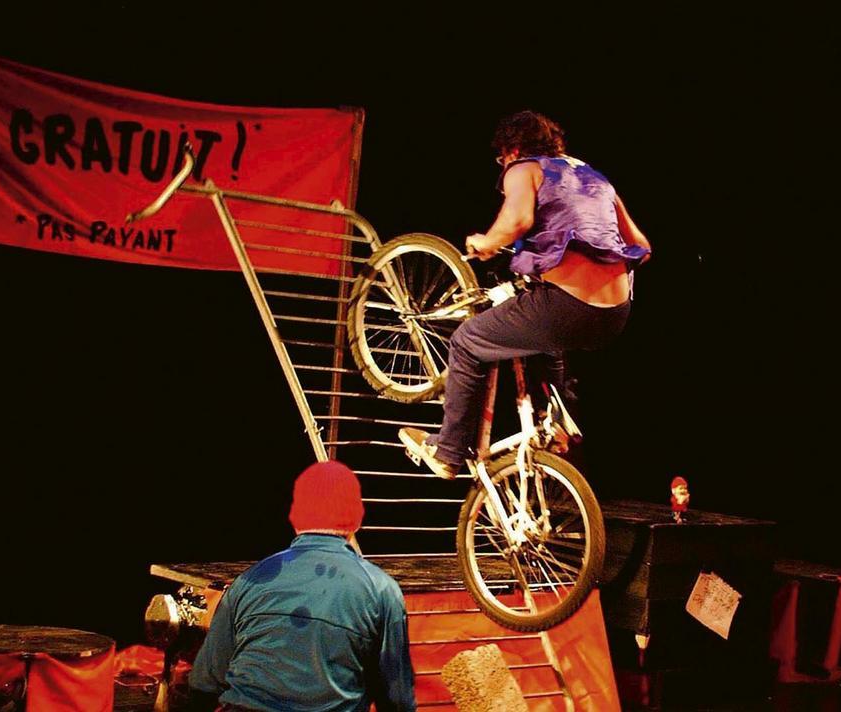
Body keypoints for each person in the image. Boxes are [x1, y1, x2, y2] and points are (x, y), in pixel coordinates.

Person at [399, 110, 652, 479]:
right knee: (543, 337)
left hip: (569, 306)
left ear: (512, 150)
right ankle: (558, 421)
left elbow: (518, 220)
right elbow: (642, 247)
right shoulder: (593, 177)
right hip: (616, 314)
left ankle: (448, 450)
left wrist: (487, 241)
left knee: (467, 341)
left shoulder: (523, 168)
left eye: (501, 159)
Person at [189, 460, 417, 711]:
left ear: (295, 518)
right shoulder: (381, 589)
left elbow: (204, 683)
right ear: (356, 521)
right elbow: (397, 700)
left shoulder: (248, 581)